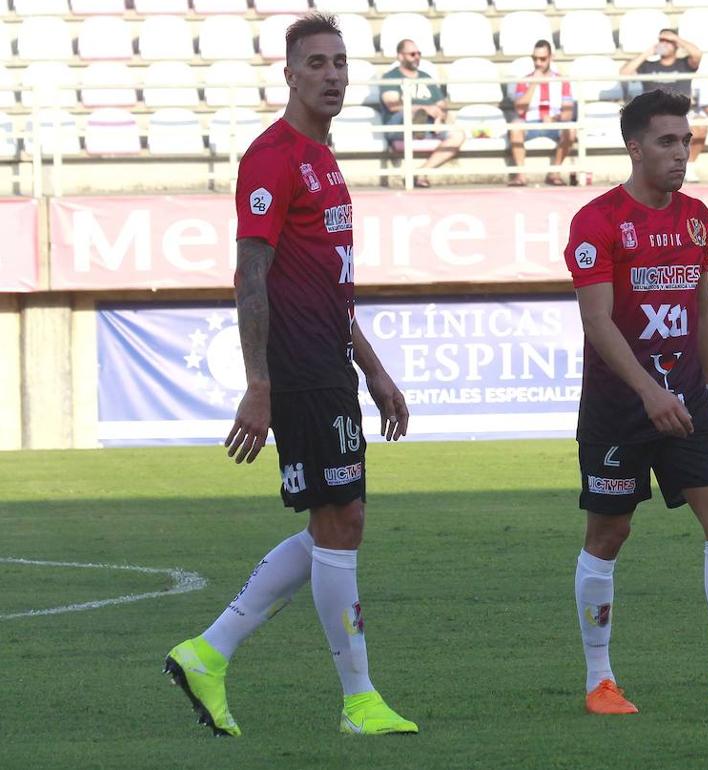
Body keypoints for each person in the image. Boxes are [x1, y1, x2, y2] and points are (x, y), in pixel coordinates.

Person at [163, 14, 419, 737]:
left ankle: (208, 653)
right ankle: (358, 700)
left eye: (341, 62)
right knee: (339, 523)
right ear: (290, 73)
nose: (333, 74)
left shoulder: (325, 160)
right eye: (318, 63)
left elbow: (328, 284)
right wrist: (260, 383)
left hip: (329, 364)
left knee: (340, 522)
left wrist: (372, 368)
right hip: (298, 370)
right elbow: (251, 275)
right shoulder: (272, 156)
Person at [563, 89, 708, 715]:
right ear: (634, 147)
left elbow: (701, 306)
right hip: (619, 408)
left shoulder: (697, 218)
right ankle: (599, 680)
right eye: (666, 141)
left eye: (685, 141)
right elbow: (598, 322)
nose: (680, 153)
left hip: (686, 401)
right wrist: (648, 391)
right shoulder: (597, 222)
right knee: (609, 534)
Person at [378, 38, 464, 188]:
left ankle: (422, 172)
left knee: (458, 135)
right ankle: (419, 122)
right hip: (399, 125)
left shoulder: (425, 77)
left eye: (419, 53)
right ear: (400, 56)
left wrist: (439, 115)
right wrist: (421, 109)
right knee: (413, 113)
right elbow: (392, 105)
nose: (417, 57)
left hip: (431, 124)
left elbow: (442, 105)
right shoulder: (390, 77)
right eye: (412, 54)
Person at [621, 29, 705, 181]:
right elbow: (624, 73)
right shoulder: (648, 66)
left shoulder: (684, 64)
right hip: (654, 114)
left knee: (701, 126)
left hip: (682, 113)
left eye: (668, 41)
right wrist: (648, 52)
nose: (664, 44)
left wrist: (676, 39)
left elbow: (697, 54)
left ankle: (689, 166)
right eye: (662, 40)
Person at [507, 39, 576, 187]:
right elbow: (520, 109)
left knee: (571, 130)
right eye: (535, 58)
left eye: (542, 59)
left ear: (551, 57)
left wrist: (555, 118)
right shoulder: (524, 80)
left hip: (554, 124)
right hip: (530, 124)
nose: (538, 63)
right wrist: (534, 83)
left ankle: (555, 172)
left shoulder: (562, 81)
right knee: (515, 126)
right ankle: (521, 175)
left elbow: (568, 112)